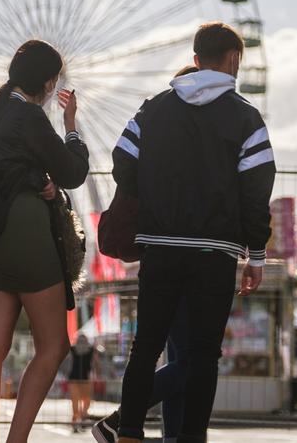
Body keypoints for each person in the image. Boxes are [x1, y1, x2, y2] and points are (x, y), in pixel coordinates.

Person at [111, 22, 274, 443]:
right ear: (235, 61)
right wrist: (255, 255)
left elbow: (122, 161)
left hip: (160, 246)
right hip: (215, 252)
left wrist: (155, 200)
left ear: (196, 58)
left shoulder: (154, 109)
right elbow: (258, 191)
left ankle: (128, 432)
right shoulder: (246, 118)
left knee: (145, 347)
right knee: (204, 355)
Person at [0, 39, 89, 443]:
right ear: (50, 80)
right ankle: (16, 439)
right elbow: (73, 172)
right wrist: (71, 126)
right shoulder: (29, 117)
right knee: (53, 345)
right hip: (25, 230)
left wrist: (38, 181)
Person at [94, 68, 199, 443]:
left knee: (178, 355)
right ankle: (123, 420)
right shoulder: (182, 134)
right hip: (184, 252)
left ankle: (168, 434)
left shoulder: (154, 128)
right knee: (195, 360)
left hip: (158, 251)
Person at [67, 335, 98, 432]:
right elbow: (96, 363)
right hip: (78, 379)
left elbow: (96, 363)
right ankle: (77, 420)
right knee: (79, 402)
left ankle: (79, 419)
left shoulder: (89, 350)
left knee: (83, 401)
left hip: (81, 379)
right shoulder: (73, 349)